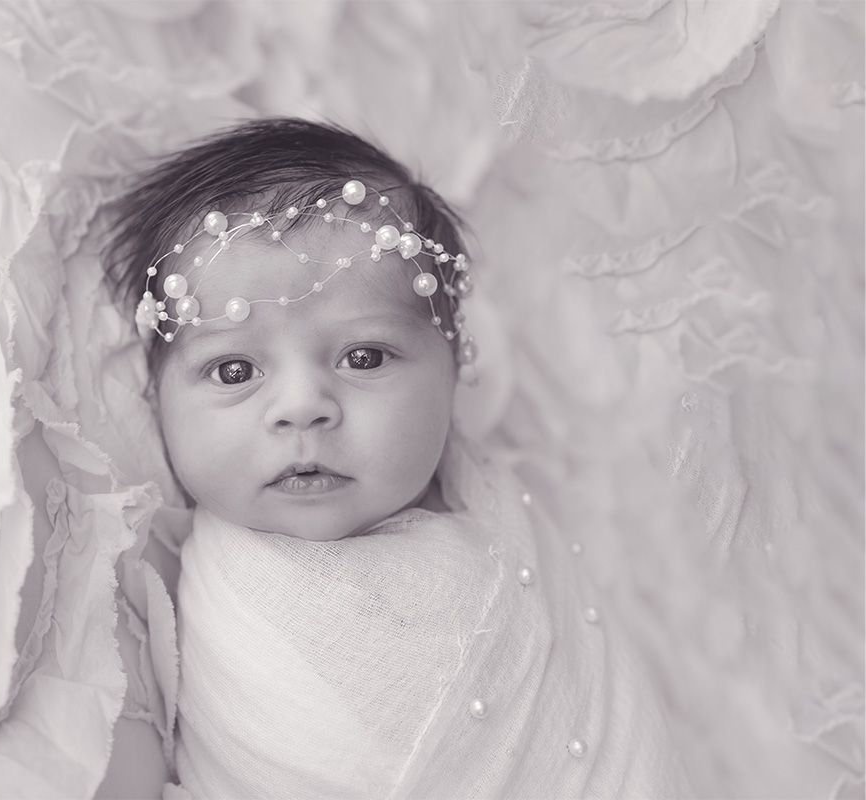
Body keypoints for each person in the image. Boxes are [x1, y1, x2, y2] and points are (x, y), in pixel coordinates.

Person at [105, 118, 691, 798]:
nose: (303, 406)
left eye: (364, 357)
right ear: (157, 401)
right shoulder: (146, 585)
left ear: (453, 366)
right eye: (234, 371)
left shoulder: (497, 515)